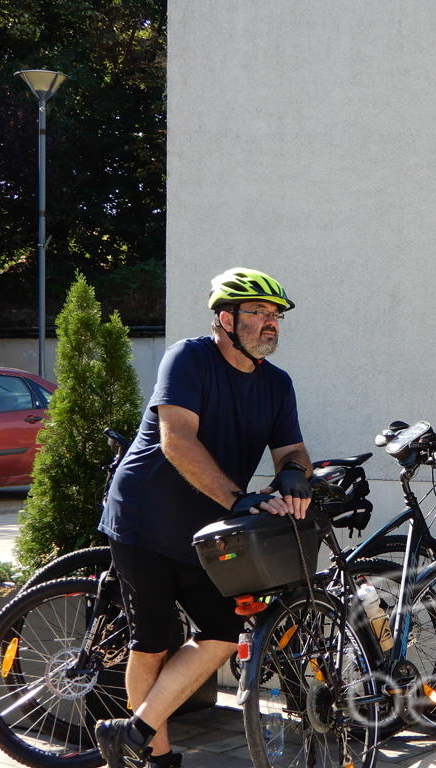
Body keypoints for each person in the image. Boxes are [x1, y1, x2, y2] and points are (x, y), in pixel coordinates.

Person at [95, 268, 315, 768]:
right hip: (146, 519)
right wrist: (237, 498)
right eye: (258, 312)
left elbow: (292, 449)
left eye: (275, 315)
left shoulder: (276, 384)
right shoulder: (189, 358)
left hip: (207, 529)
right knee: (153, 644)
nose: (271, 322)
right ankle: (157, 758)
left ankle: (132, 733)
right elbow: (176, 439)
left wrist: (294, 473)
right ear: (226, 319)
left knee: (222, 631)